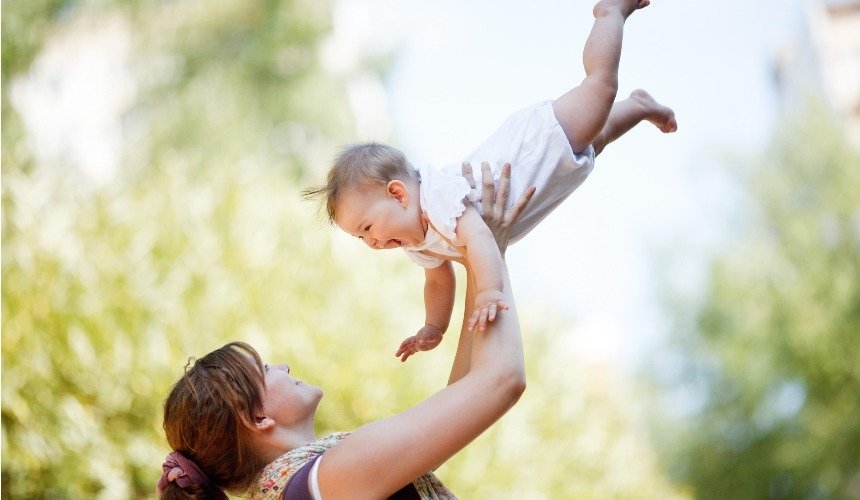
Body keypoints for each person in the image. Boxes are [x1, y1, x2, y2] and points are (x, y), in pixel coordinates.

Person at [303, 0, 677, 361]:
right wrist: (434, 326)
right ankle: (641, 105)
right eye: (360, 237)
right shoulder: (417, 243)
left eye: (367, 226)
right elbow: (438, 282)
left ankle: (609, 11)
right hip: (549, 171)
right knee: (598, 135)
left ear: (398, 194)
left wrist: (488, 291)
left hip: (538, 143)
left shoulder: (437, 197)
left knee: (599, 90)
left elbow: (480, 237)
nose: (371, 242)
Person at [157, 168, 533, 499]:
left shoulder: (306, 485)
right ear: (257, 420)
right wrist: (489, 259)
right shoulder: (327, 480)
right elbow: (500, 380)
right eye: (267, 369)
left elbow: (463, 394)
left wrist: (481, 259)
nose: (284, 366)